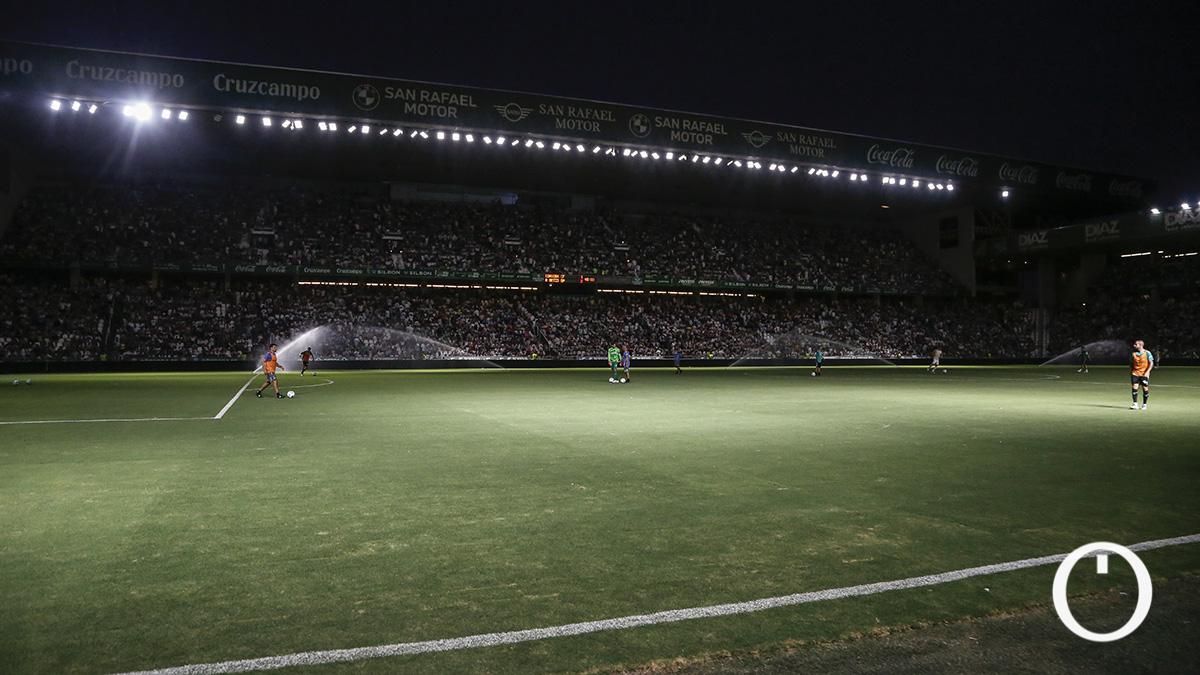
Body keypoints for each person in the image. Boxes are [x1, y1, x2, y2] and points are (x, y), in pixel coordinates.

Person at [1130, 339, 1154, 410]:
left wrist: (1147, 372)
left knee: (1145, 388)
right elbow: (1131, 364)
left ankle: (1144, 404)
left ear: (1140, 345)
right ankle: (1135, 404)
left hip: (1144, 374)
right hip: (1135, 373)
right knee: (1134, 387)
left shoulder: (1147, 353)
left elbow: (1151, 363)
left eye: (1135, 344)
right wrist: (1131, 372)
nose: (1134, 345)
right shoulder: (1133, 353)